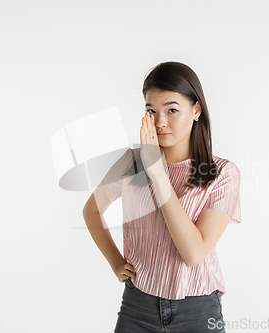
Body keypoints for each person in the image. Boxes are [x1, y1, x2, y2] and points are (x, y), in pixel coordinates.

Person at [82, 61, 241, 333]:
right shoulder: (132, 162)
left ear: (196, 110)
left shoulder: (222, 174)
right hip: (137, 306)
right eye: (151, 111)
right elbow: (92, 211)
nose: (159, 122)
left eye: (172, 110)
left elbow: (193, 254)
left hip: (197, 311)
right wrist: (116, 263)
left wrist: (157, 172)